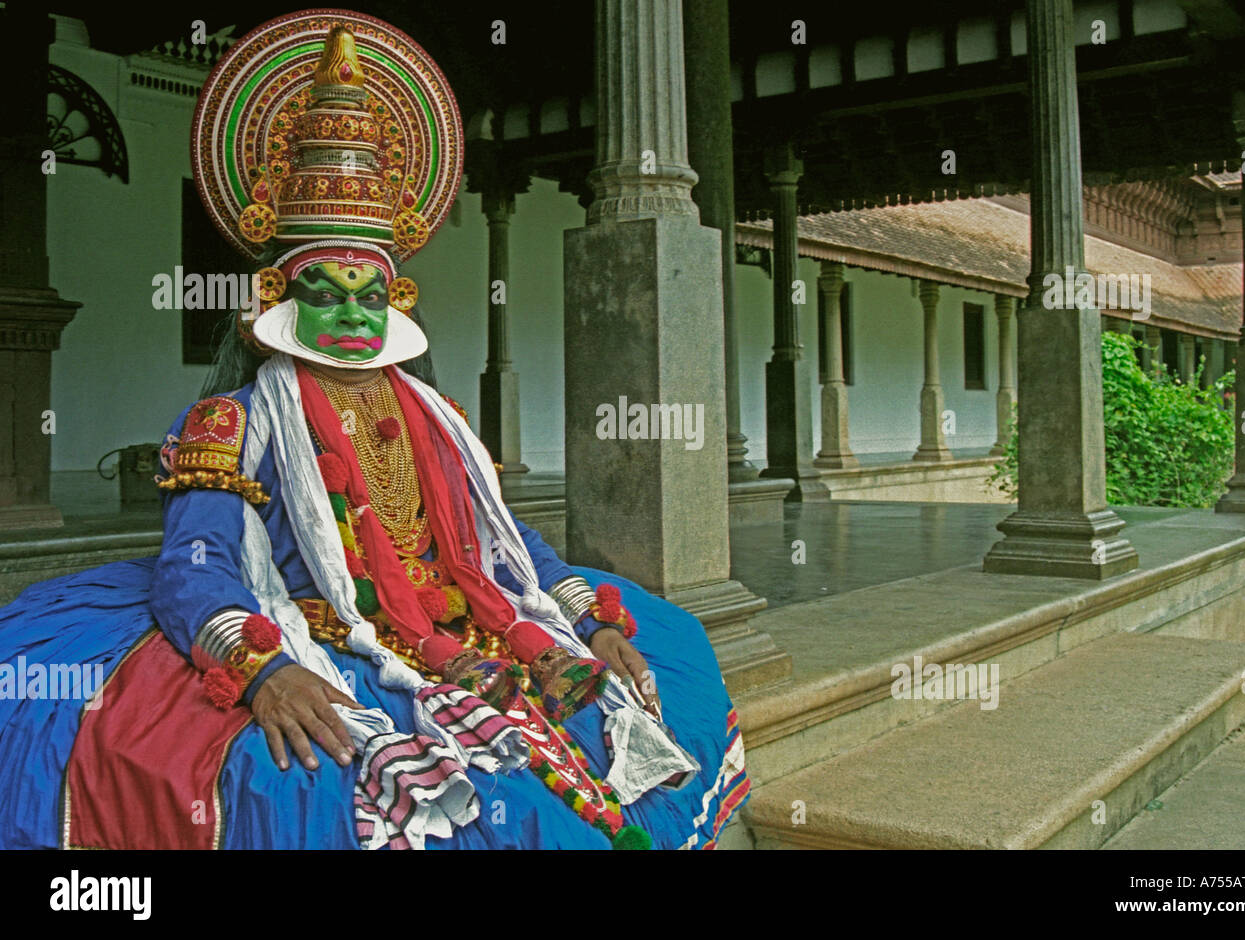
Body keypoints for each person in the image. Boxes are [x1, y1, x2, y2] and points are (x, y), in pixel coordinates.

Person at [0, 10, 747, 850]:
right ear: (280, 298)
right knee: (317, 778)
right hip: (330, 633)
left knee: (662, 654)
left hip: (468, 621)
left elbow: (502, 542)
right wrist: (266, 670)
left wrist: (585, 618)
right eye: (326, 290)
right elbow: (195, 566)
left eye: (369, 292)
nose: (351, 312)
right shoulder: (232, 421)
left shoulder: (438, 418)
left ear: (396, 300)